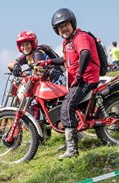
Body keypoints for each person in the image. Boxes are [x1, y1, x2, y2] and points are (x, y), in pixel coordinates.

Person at [40, 8, 101, 159]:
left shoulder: (80, 37)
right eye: (60, 27)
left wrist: (79, 74)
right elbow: (63, 60)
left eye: (66, 25)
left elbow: (85, 53)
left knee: (67, 108)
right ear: (57, 30)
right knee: (67, 103)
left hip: (86, 78)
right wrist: (46, 62)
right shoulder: (67, 42)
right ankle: (71, 141)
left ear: (72, 24)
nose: (63, 29)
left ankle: (72, 150)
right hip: (78, 79)